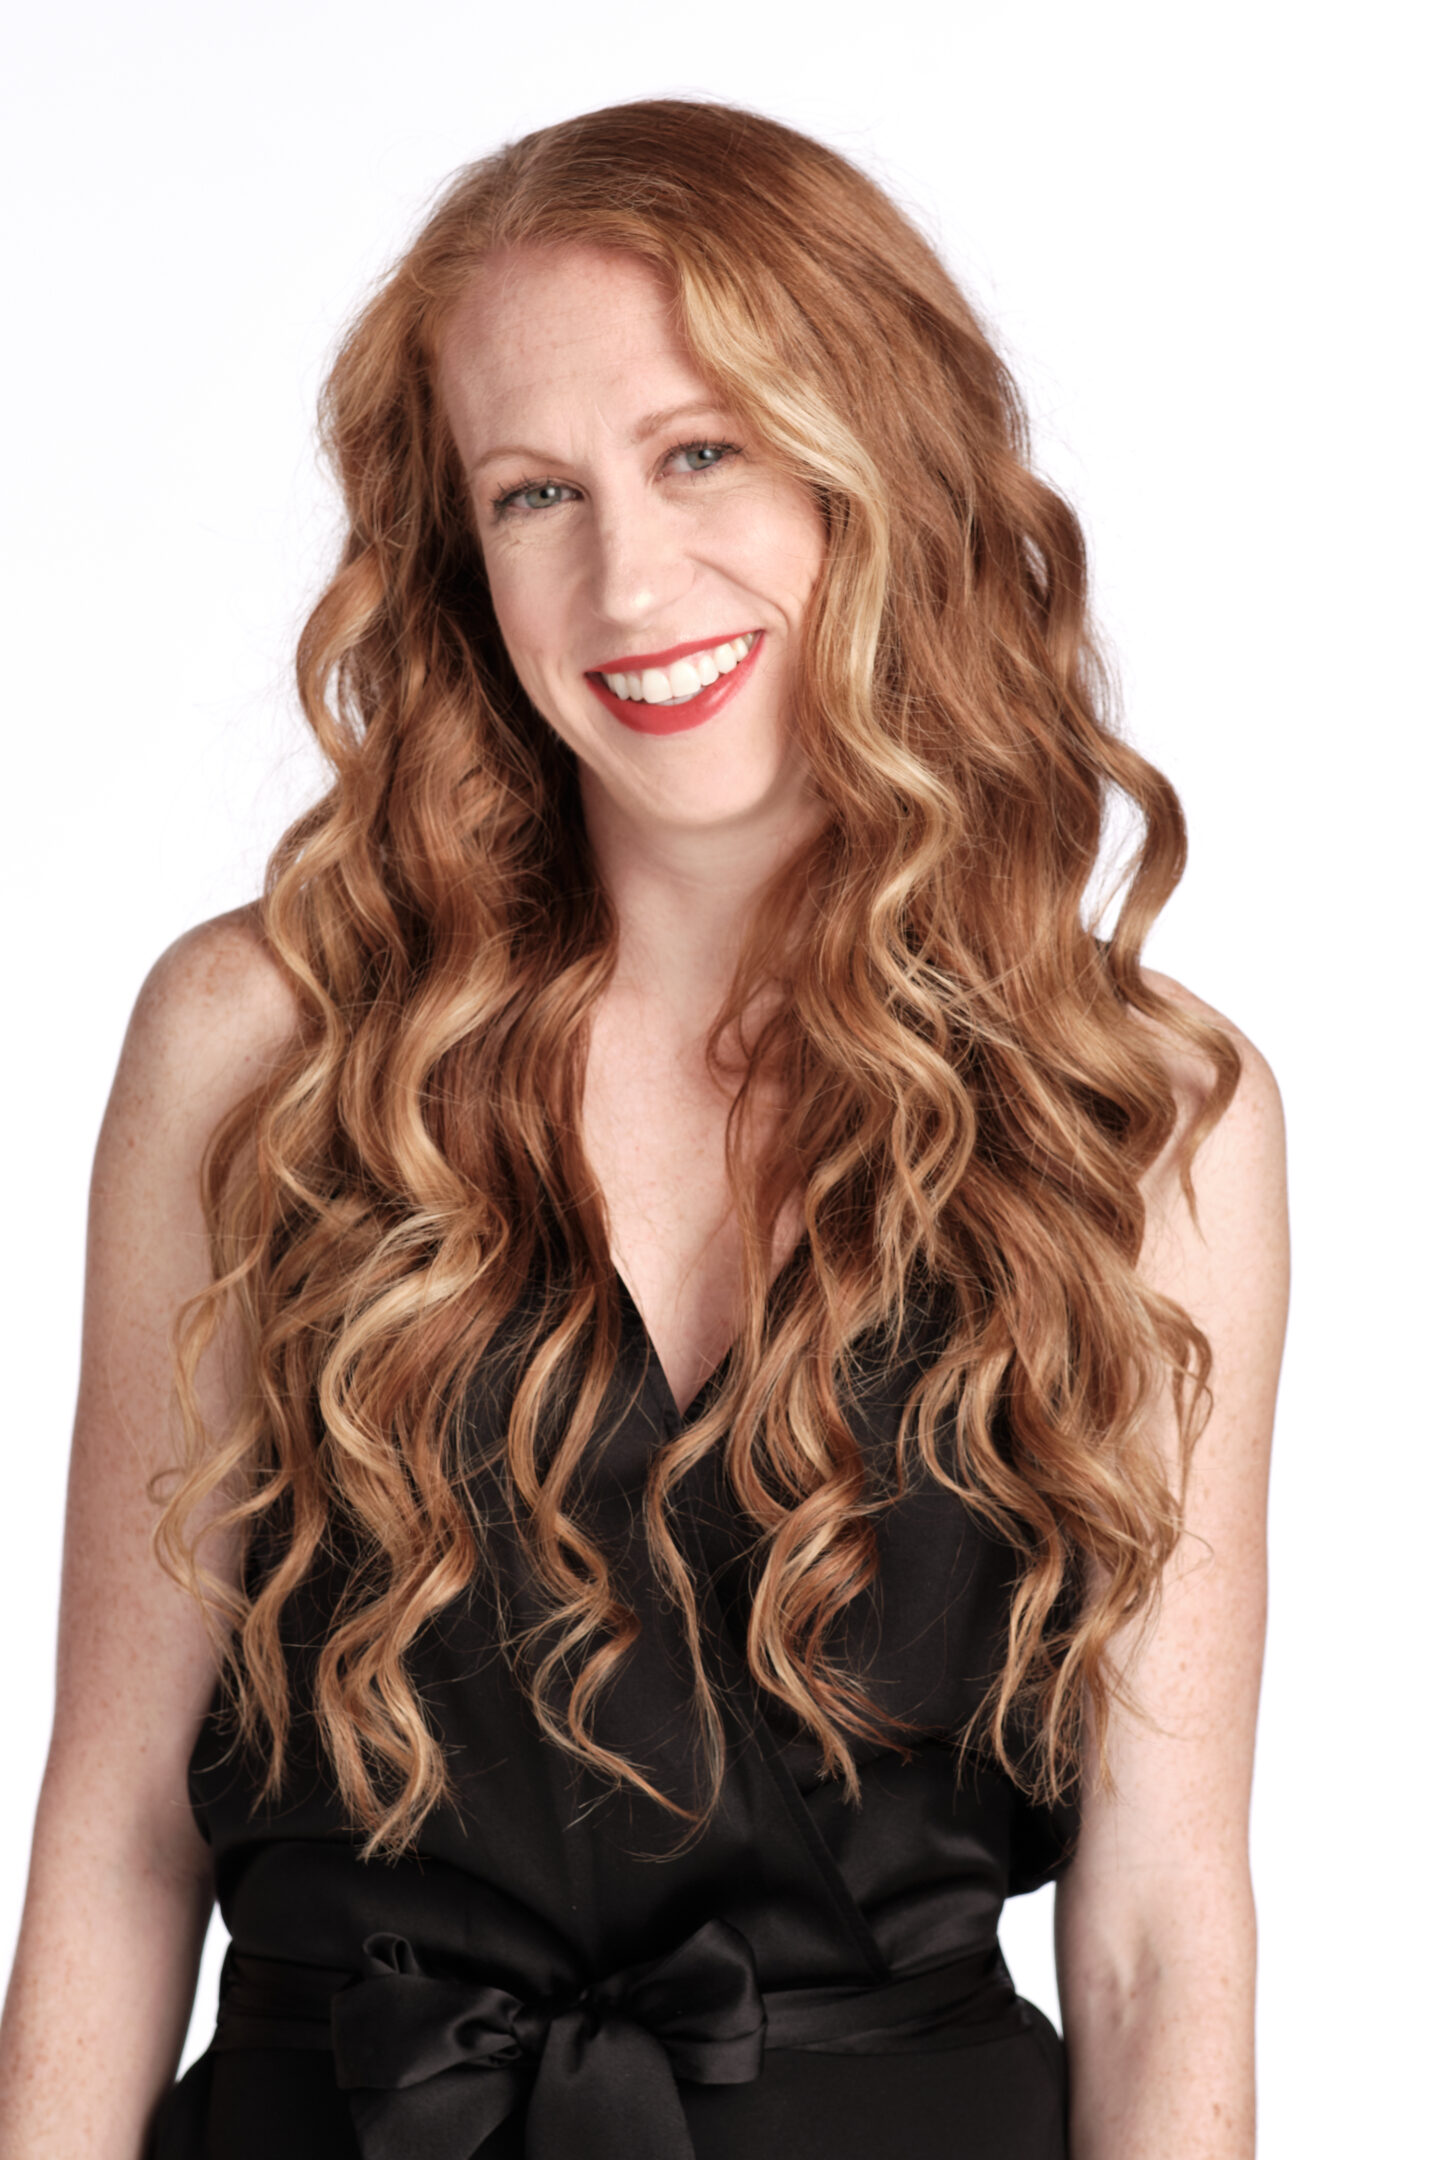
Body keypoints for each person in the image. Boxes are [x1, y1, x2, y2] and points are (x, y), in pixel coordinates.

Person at [0, 97, 1288, 2160]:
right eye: (534, 494)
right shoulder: (258, 1047)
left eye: (703, 453)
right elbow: (119, 1830)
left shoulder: (1146, 1116)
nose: (627, 578)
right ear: (460, 558)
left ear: (881, 463)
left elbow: (1155, 1933)